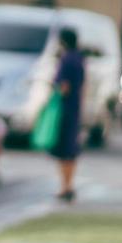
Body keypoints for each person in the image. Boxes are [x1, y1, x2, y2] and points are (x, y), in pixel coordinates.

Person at [50, 27, 86, 202]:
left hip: (64, 109)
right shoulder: (79, 58)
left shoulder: (65, 60)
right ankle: (69, 185)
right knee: (71, 149)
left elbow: (63, 87)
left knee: (64, 149)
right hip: (75, 107)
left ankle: (65, 186)